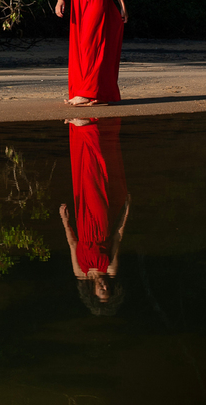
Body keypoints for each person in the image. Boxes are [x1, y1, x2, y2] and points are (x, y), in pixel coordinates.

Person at [60, 117, 129, 316]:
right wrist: (126, 210)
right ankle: (89, 130)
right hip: (100, 224)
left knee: (82, 174)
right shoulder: (110, 269)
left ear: (93, 292)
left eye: (101, 292)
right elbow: (117, 237)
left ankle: (81, 130)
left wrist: (65, 220)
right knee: (94, 177)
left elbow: (72, 244)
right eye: (108, 291)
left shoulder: (80, 272)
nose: (105, 288)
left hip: (82, 225)